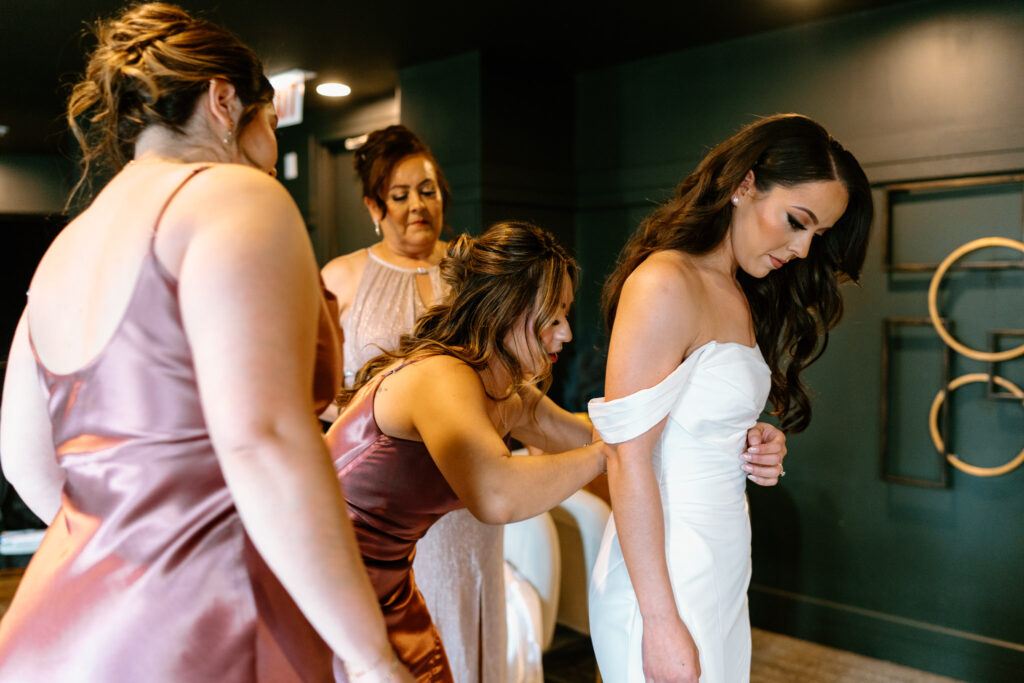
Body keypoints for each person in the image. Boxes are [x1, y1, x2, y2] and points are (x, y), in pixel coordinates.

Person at [0, 4, 411, 681]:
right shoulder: (232, 197)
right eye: (270, 124)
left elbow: (27, 463)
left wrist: (129, 549)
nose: (271, 157)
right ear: (224, 100)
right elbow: (262, 440)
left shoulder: (64, 250)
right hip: (199, 627)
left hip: (57, 632)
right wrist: (371, 658)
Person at [587, 114, 872, 682]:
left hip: (720, 556)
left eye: (817, 234)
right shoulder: (665, 280)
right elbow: (626, 455)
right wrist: (661, 622)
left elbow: (689, 417)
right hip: (665, 568)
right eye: (797, 221)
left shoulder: (737, 292)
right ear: (745, 184)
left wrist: (749, 436)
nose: (802, 247)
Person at [325, 222, 609, 680]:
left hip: (388, 584)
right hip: (325, 582)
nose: (567, 334)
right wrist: (603, 459)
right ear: (508, 310)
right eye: (554, 317)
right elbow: (496, 495)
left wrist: (682, 430)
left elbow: (585, 434)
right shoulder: (442, 376)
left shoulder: (504, 391)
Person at [321, 125, 508, 681]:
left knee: (467, 620)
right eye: (399, 196)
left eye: (426, 190)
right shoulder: (343, 276)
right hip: (386, 505)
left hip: (468, 495)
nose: (416, 206)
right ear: (374, 206)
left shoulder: (475, 271)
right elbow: (313, 388)